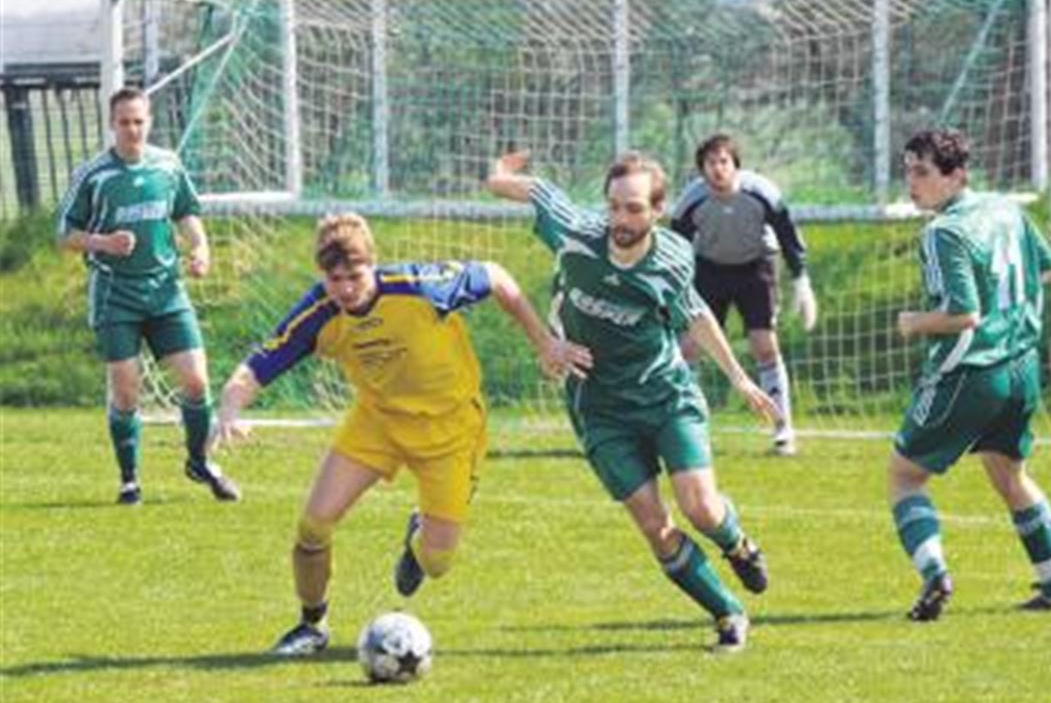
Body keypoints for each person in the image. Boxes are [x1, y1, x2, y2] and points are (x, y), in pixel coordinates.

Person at [213, 212, 587, 656]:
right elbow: (258, 365)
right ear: (322, 275)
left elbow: (497, 276)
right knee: (313, 526)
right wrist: (230, 409)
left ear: (373, 264)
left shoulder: (421, 287)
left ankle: (417, 535)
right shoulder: (319, 313)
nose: (345, 289)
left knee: (437, 562)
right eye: (335, 279)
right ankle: (311, 626)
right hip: (378, 423)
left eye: (355, 276)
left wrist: (545, 342)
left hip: (451, 431)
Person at [486, 149, 781, 653]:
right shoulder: (577, 233)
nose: (621, 219)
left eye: (634, 208)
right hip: (599, 408)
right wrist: (498, 176)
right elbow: (536, 192)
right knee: (654, 527)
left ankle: (737, 544)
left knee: (701, 509)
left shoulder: (671, 259)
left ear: (658, 211)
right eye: (614, 206)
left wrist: (739, 378)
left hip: (664, 394)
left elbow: (696, 315)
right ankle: (728, 613)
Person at [890, 128, 1051, 622]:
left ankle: (934, 574)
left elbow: (964, 315)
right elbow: (1049, 271)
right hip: (1021, 368)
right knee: (1009, 475)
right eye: (908, 171)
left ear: (957, 175)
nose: (912, 182)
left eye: (922, 172)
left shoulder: (943, 232)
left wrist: (914, 322)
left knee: (905, 476)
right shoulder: (1006, 209)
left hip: (970, 372)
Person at [56, 86, 239, 505]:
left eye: (139, 121)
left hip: (166, 292)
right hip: (115, 294)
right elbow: (65, 234)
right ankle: (129, 480)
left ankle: (199, 461)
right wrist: (103, 242)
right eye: (124, 122)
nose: (132, 130)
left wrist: (201, 248)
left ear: (149, 122)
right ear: (112, 124)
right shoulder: (95, 175)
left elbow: (186, 212)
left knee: (196, 381)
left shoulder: (168, 165)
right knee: (125, 391)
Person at [671, 133, 817, 456]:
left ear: (735, 164)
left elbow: (787, 235)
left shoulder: (762, 193)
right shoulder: (691, 201)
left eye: (723, 161)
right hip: (709, 270)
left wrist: (801, 279)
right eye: (710, 163)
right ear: (701, 170)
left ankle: (782, 429)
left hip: (755, 269)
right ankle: (684, 428)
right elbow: (675, 246)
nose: (718, 169)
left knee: (764, 346)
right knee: (690, 347)